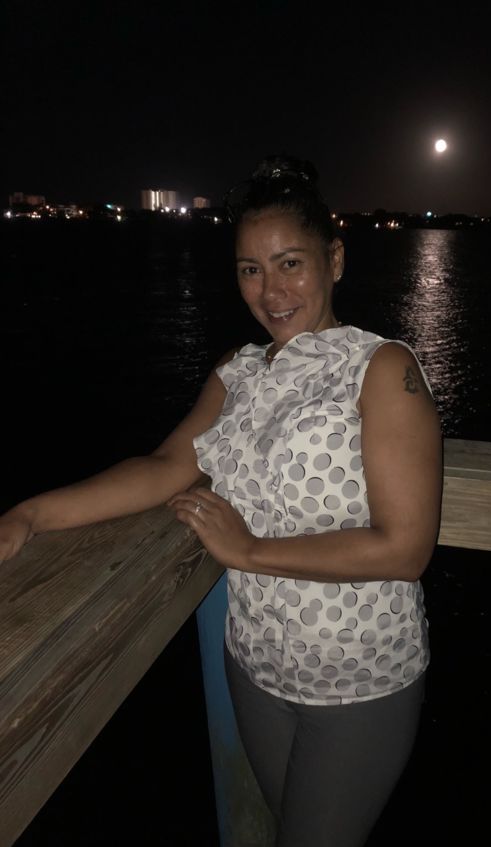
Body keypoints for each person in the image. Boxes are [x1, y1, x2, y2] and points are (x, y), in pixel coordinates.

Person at [0, 155, 443, 847]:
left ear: (334, 259)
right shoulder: (237, 373)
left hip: (360, 680)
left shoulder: (382, 369)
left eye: (290, 263)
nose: (271, 290)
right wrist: (31, 513)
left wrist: (249, 550)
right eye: (250, 269)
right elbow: (165, 467)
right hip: (256, 668)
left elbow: (405, 547)